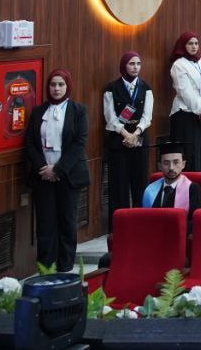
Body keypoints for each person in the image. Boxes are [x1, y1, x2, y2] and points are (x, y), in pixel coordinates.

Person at [25, 69, 88, 271]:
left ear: (67, 86)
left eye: (61, 84)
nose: (57, 88)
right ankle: (46, 269)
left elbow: (79, 143)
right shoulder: (38, 112)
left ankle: (65, 269)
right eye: (53, 84)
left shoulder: (78, 111)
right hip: (43, 176)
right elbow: (30, 143)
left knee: (67, 222)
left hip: (68, 175)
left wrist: (58, 170)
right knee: (45, 224)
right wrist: (44, 168)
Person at [102, 52, 153, 229]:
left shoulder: (146, 88)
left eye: (138, 64)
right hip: (118, 142)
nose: (135, 67)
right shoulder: (111, 88)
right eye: (131, 64)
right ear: (124, 66)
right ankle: (119, 228)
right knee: (118, 187)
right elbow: (110, 118)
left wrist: (135, 134)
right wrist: (126, 135)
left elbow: (147, 117)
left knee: (141, 184)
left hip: (139, 140)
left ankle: (142, 226)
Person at [169, 32, 201, 172]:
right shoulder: (178, 65)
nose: (194, 46)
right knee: (189, 155)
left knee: (200, 153)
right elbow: (185, 92)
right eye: (190, 44)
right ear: (183, 45)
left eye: (196, 43)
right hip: (185, 114)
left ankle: (200, 184)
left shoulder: (199, 61)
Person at [142, 141, 201, 222]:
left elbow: (198, 222)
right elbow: (145, 219)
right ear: (159, 166)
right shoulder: (150, 190)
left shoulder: (193, 189)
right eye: (166, 163)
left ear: (183, 164)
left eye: (176, 162)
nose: (171, 168)